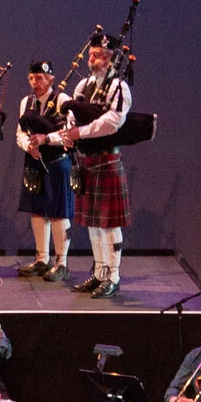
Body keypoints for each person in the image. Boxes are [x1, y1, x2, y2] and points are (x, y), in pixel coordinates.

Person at [65, 36, 132, 296]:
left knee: (108, 224)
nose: (92, 60)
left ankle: (113, 277)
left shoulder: (119, 87)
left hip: (107, 159)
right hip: (88, 160)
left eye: (99, 55)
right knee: (93, 224)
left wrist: (80, 133)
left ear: (111, 58)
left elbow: (113, 121)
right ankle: (99, 273)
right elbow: (72, 115)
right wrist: (69, 132)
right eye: (91, 55)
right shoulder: (84, 85)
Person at [13, 60, 76, 279]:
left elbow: (69, 133)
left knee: (59, 212)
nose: (34, 82)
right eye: (31, 78)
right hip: (34, 160)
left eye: (39, 78)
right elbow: (20, 133)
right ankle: (42, 259)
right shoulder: (26, 102)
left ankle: (62, 262)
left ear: (51, 79)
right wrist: (28, 146)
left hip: (58, 161)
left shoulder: (63, 100)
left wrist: (46, 139)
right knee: (38, 210)